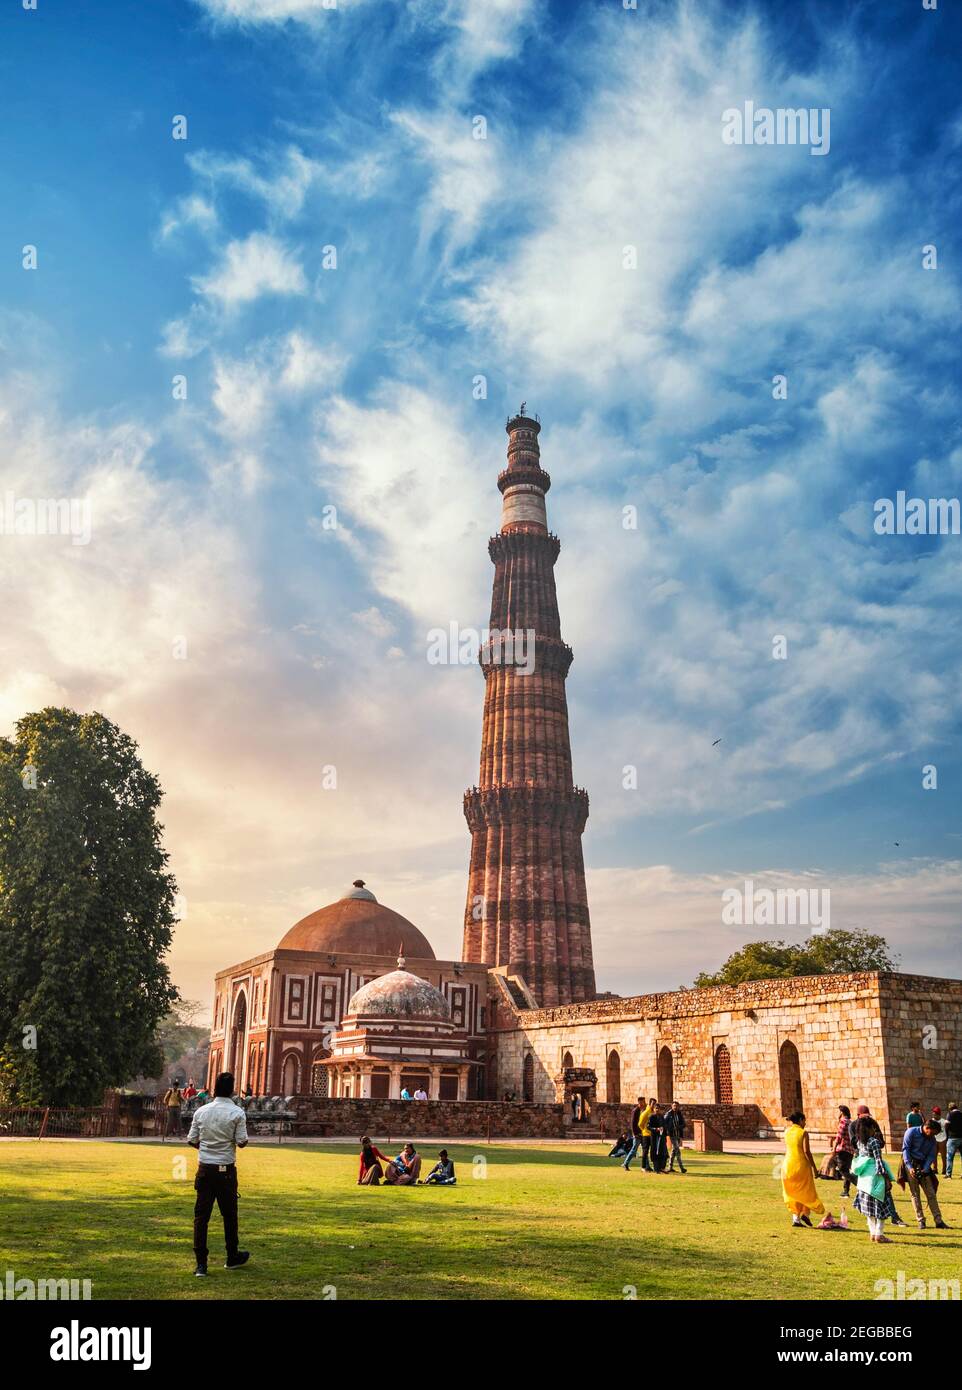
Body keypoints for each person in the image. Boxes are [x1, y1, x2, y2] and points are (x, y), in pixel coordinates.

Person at [187, 1071, 250, 1276]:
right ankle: (232, 1256)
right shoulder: (237, 1113)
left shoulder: (202, 1112)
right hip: (226, 1170)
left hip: (205, 1169)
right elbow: (241, 1142)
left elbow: (192, 1139)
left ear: (214, 1087)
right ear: (232, 1089)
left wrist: (207, 1150)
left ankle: (201, 1264)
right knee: (229, 1216)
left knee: (201, 1217)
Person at [852, 1114, 898, 1243]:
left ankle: (872, 1233)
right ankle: (879, 1234)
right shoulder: (873, 1142)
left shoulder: (858, 1141)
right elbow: (878, 1161)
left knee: (869, 1209)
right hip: (875, 1178)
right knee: (881, 1206)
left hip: (864, 1179)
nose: (874, 1130)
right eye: (873, 1127)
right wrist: (887, 1179)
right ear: (869, 1128)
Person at [781, 1111, 827, 1228]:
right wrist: (815, 1169)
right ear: (800, 1120)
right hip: (801, 1166)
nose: (805, 1123)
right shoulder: (803, 1133)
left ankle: (797, 1218)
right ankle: (805, 1213)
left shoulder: (787, 1132)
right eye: (804, 1120)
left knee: (794, 1193)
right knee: (806, 1190)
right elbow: (807, 1152)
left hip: (787, 1166)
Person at [901, 1115, 948, 1229]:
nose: (933, 1136)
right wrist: (910, 1167)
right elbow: (905, 1149)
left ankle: (938, 1221)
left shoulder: (932, 1139)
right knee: (915, 1194)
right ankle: (921, 1220)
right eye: (932, 1133)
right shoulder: (911, 1132)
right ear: (927, 1128)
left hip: (923, 1166)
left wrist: (926, 1168)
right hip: (910, 1164)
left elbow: (931, 1155)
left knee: (931, 1194)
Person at [832, 1105, 856, 1198]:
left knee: (842, 1169)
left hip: (843, 1149)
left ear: (842, 1112)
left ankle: (856, 1181)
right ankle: (846, 1191)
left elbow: (839, 1136)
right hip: (850, 1150)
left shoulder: (843, 1122)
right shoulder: (851, 1122)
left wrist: (834, 1148)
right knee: (846, 1169)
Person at [623, 1096, 652, 1172]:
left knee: (645, 1150)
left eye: (644, 1101)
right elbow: (633, 1123)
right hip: (638, 1134)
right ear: (639, 1102)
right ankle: (625, 1164)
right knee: (634, 1150)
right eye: (642, 1102)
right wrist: (635, 1133)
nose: (644, 1103)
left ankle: (647, 1166)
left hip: (643, 1133)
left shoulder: (643, 1110)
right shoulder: (636, 1111)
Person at [663, 1100, 687, 1173]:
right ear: (671, 1106)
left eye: (677, 1106)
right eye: (674, 1106)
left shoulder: (679, 1114)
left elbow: (684, 1124)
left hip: (678, 1135)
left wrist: (678, 1127)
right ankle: (681, 1167)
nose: (675, 1107)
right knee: (677, 1151)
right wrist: (670, 1129)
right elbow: (664, 1123)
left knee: (674, 1151)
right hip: (672, 1135)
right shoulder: (668, 1114)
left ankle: (670, 1167)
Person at [649, 1104, 668, 1172]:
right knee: (655, 1152)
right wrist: (656, 1129)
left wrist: (664, 1133)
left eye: (658, 1108)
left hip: (661, 1137)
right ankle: (656, 1168)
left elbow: (664, 1126)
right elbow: (649, 1127)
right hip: (654, 1137)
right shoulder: (651, 1117)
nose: (657, 1110)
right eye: (656, 1108)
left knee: (663, 1153)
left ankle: (662, 1167)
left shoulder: (661, 1117)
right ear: (654, 1109)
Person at [945, 1101, 962, 1178]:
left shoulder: (950, 1114)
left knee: (950, 1157)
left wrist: (947, 1136)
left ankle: (948, 1174)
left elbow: (946, 1126)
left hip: (952, 1138)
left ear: (950, 1108)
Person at [931, 1106, 948, 1175]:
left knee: (943, 1156)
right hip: (934, 1140)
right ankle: (935, 1169)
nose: (933, 1115)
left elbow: (947, 1129)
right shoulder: (931, 1121)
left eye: (934, 1114)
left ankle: (944, 1170)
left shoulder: (944, 1121)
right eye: (933, 1113)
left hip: (942, 1140)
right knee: (933, 1156)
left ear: (938, 1114)